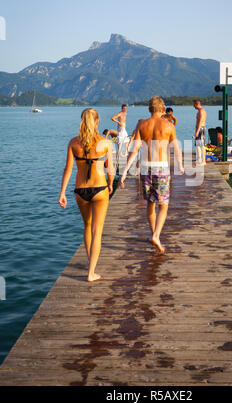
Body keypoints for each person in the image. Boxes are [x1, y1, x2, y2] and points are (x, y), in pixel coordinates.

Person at [120, 96, 184, 253]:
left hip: (145, 168)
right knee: (163, 205)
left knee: (150, 203)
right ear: (163, 109)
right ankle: (156, 235)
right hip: (161, 168)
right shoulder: (169, 126)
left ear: (149, 109)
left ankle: (153, 233)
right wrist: (181, 165)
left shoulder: (142, 125)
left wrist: (124, 171)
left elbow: (134, 150)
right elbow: (176, 149)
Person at [58, 108, 114, 282]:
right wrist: (111, 183)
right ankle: (91, 272)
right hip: (99, 189)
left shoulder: (73, 143)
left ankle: (91, 262)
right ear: (97, 122)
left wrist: (62, 193)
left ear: (82, 121)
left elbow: (68, 170)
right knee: (97, 231)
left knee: (87, 226)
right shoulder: (105, 143)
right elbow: (110, 169)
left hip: (80, 191)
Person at [193, 99, 207, 165]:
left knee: (201, 145)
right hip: (199, 129)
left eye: (194, 105)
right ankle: (199, 159)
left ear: (197, 104)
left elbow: (201, 122)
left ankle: (203, 161)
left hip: (201, 129)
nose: (193, 106)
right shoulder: (200, 111)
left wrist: (197, 131)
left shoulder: (201, 111)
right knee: (197, 145)